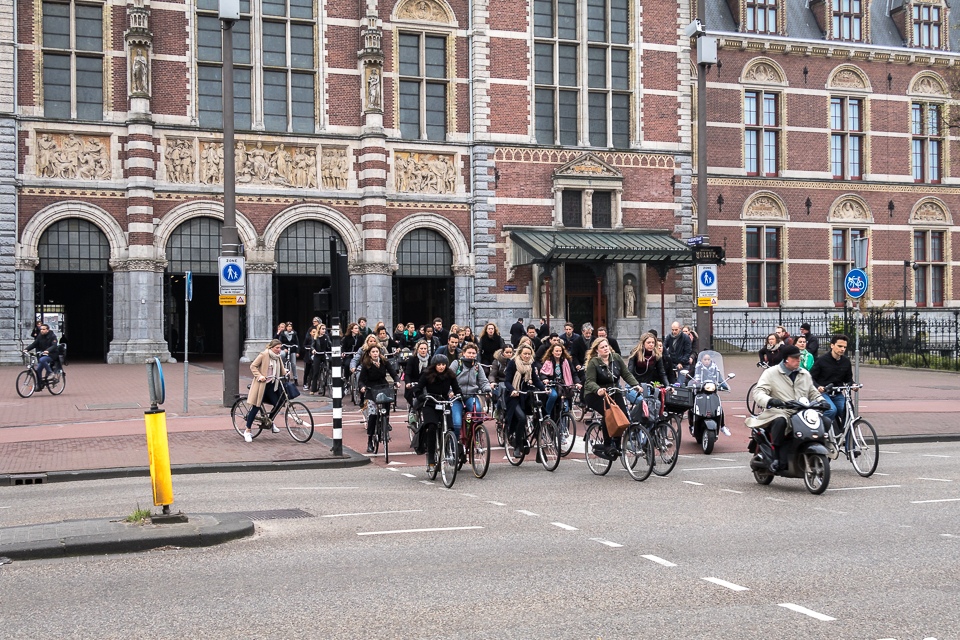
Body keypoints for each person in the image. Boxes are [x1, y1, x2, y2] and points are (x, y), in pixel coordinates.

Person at [746, 344, 822, 472]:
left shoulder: (804, 374)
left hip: (801, 411)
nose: (799, 360)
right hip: (778, 411)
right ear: (786, 359)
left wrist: (822, 402)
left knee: (823, 421)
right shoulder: (770, 373)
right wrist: (770, 401)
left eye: (800, 357)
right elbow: (758, 392)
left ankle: (824, 449)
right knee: (780, 421)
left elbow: (813, 392)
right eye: (795, 358)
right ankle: (776, 457)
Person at [584, 337, 640, 460]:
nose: (605, 349)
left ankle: (617, 444)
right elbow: (589, 382)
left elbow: (626, 374)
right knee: (609, 414)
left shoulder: (616, 358)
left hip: (614, 391)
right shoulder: (594, 362)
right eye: (602, 347)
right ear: (597, 350)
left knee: (623, 416)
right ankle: (607, 445)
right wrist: (598, 389)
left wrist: (636, 385)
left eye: (606, 346)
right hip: (595, 394)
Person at [417, 354, 463, 471]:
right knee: (432, 427)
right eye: (439, 365)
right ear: (434, 365)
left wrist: (459, 395)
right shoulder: (427, 374)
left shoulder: (450, 375)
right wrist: (421, 396)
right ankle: (431, 456)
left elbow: (456, 388)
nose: (441, 367)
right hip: (431, 403)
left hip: (444, 402)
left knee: (449, 427)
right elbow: (418, 389)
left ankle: (448, 449)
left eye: (443, 365)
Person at [503, 344, 545, 458]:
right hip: (513, 397)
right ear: (520, 353)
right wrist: (512, 390)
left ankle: (539, 442)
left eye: (529, 354)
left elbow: (536, 380)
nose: (527, 356)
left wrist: (544, 389)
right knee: (521, 418)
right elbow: (507, 381)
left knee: (540, 413)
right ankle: (517, 446)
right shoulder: (513, 363)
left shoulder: (531, 364)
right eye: (525, 354)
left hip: (525, 395)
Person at [241, 339, 286, 442]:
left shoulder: (277, 357)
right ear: (271, 347)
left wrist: (285, 373)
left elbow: (281, 369)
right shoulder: (264, 355)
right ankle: (247, 431)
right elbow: (253, 366)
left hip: (271, 385)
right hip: (261, 385)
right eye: (277, 348)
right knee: (256, 407)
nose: (279, 350)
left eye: (280, 348)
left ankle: (269, 421)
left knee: (278, 403)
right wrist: (260, 376)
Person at [358, 344, 399, 452]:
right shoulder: (366, 364)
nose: (375, 354)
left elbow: (393, 372)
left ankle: (385, 424)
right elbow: (361, 379)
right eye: (373, 352)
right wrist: (362, 387)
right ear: (369, 354)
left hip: (383, 388)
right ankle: (370, 440)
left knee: (386, 409)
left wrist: (397, 381)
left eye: (377, 352)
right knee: (372, 416)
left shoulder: (384, 362)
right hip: (371, 390)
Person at [810, 334, 855, 433]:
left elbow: (848, 379)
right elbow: (811, 377)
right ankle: (822, 433)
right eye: (839, 346)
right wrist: (818, 387)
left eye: (844, 347)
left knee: (847, 411)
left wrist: (853, 385)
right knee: (831, 410)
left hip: (838, 393)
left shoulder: (846, 361)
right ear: (832, 345)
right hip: (824, 393)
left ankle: (849, 446)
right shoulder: (821, 360)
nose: (842, 349)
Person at [451, 343, 492, 441]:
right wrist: (450, 391)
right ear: (464, 353)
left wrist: (487, 390)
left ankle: (475, 434)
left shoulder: (477, 366)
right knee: (456, 424)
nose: (471, 355)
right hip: (456, 396)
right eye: (469, 353)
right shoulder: (456, 363)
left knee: (477, 412)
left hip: (471, 395)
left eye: (474, 353)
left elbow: (483, 381)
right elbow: (448, 378)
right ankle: (453, 447)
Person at [539, 342, 575, 417]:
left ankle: (564, 427)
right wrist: (545, 379)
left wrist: (577, 382)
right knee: (553, 396)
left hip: (563, 386)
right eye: (556, 351)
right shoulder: (548, 362)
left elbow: (573, 373)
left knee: (565, 406)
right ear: (552, 352)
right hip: (552, 385)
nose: (558, 353)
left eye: (560, 351)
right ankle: (547, 415)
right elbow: (542, 373)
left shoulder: (566, 361)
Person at [23, 323, 59, 389]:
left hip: (52, 355)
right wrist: (26, 349)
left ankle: (51, 373)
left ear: (47, 330)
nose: (42, 331)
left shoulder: (52, 336)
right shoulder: (40, 336)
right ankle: (39, 385)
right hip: (43, 354)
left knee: (42, 360)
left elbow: (54, 345)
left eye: (43, 329)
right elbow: (34, 344)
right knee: (38, 369)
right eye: (41, 329)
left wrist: (48, 350)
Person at [404, 339, 431, 418]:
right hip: (414, 383)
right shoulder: (412, 359)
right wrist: (408, 383)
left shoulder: (430, 359)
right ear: (417, 349)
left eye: (425, 349)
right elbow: (407, 374)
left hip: (426, 383)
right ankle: (413, 409)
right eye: (421, 349)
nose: (423, 350)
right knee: (417, 396)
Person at [308, 324, 331, 395]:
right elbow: (312, 345)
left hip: (324, 354)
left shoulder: (327, 337)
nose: (324, 330)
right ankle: (313, 389)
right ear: (319, 330)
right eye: (322, 329)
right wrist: (313, 350)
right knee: (316, 372)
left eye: (325, 329)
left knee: (330, 362)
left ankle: (328, 377)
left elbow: (330, 344)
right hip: (318, 354)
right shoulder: (315, 338)